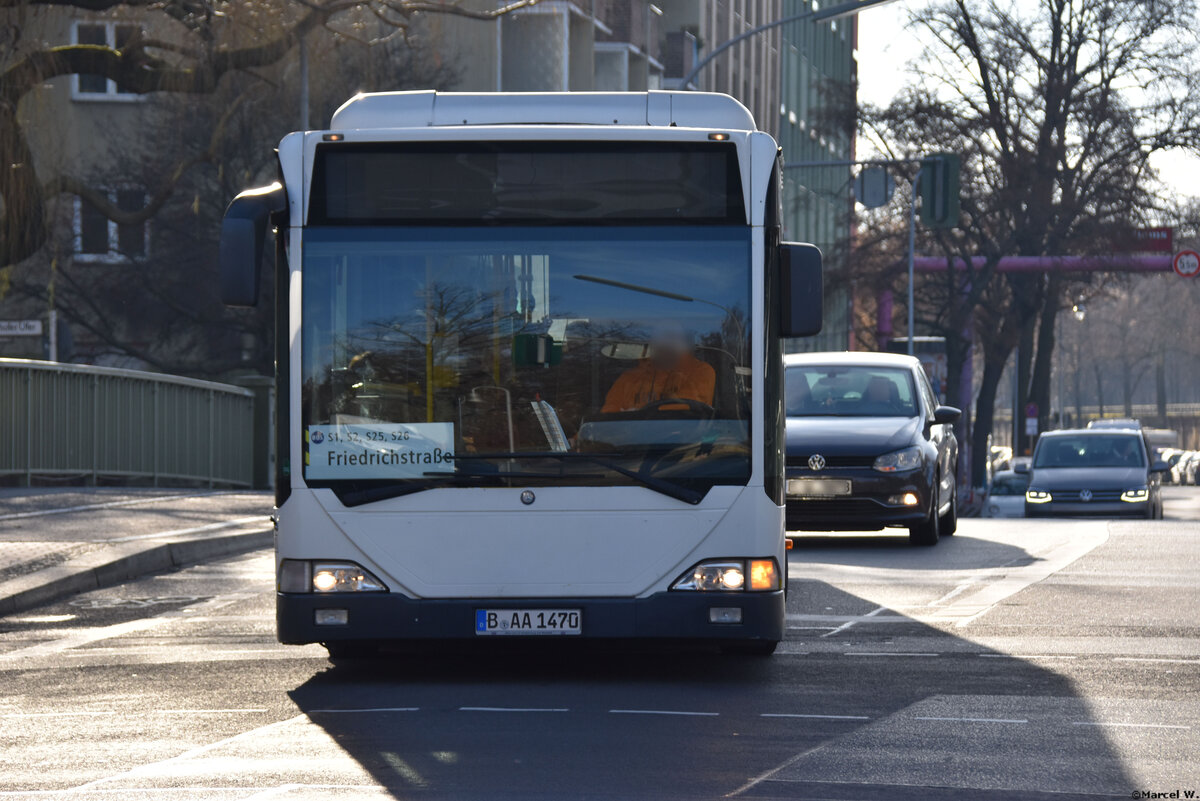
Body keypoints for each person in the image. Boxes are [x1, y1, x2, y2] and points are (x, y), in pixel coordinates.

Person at [601, 322, 715, 413]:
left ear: (683, 343)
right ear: (652, 343)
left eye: (675, 337)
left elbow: (683, 412)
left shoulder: (700, 372)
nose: (670, 343)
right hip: (630, 441)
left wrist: (634, 415)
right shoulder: (628, 379)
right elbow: (609, 416)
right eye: (664, 337)